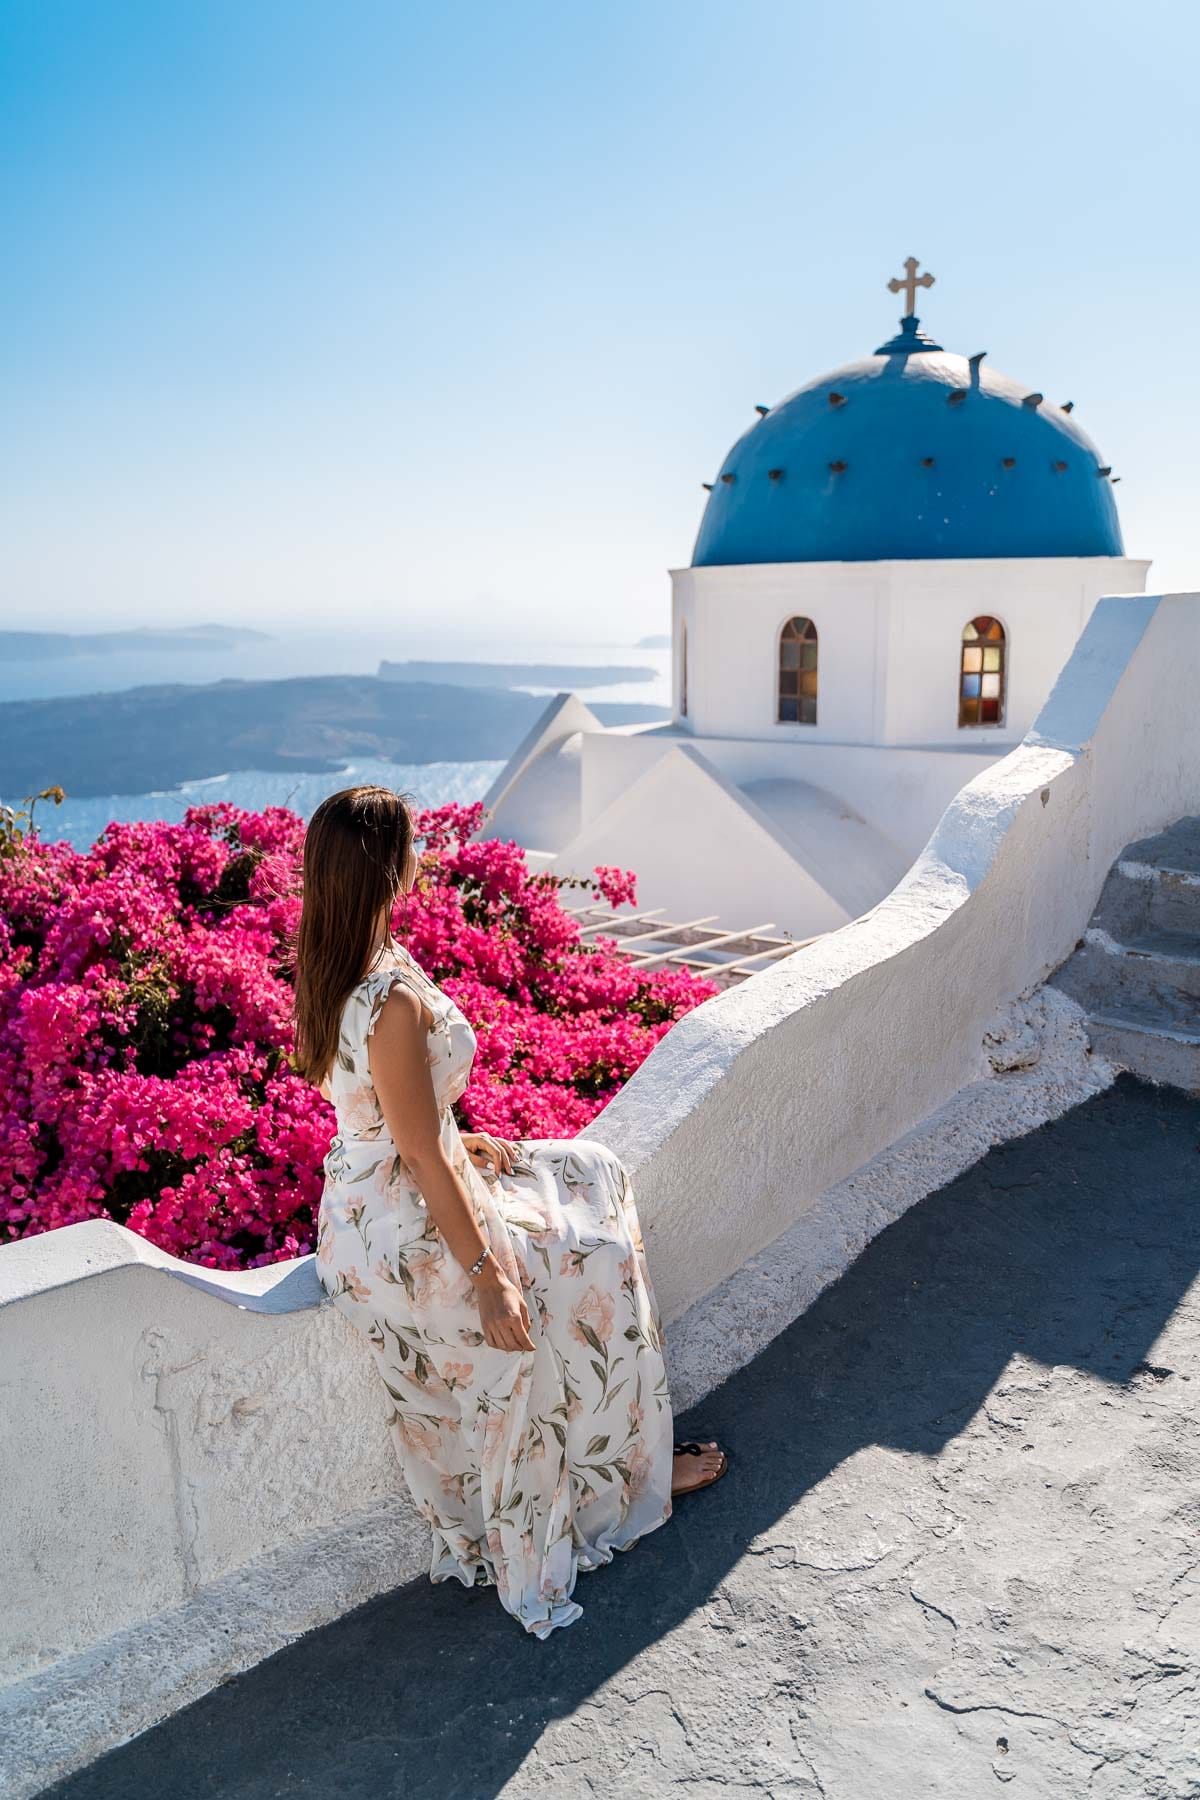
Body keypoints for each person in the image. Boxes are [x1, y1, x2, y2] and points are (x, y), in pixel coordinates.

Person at [293, 785, 726, 1639]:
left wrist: (460, 1138)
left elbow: (395, 1119)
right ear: (392, 867)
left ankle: (624, 1463)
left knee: (592, 1172)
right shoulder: (390, 998)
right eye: (413, 845)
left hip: (371, 1198)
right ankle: (622, 1484)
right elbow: (415, 1152)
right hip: (404, 1222)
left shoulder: (341, 960)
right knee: (579, 1263)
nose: (423, 856)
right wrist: (487, 1277)